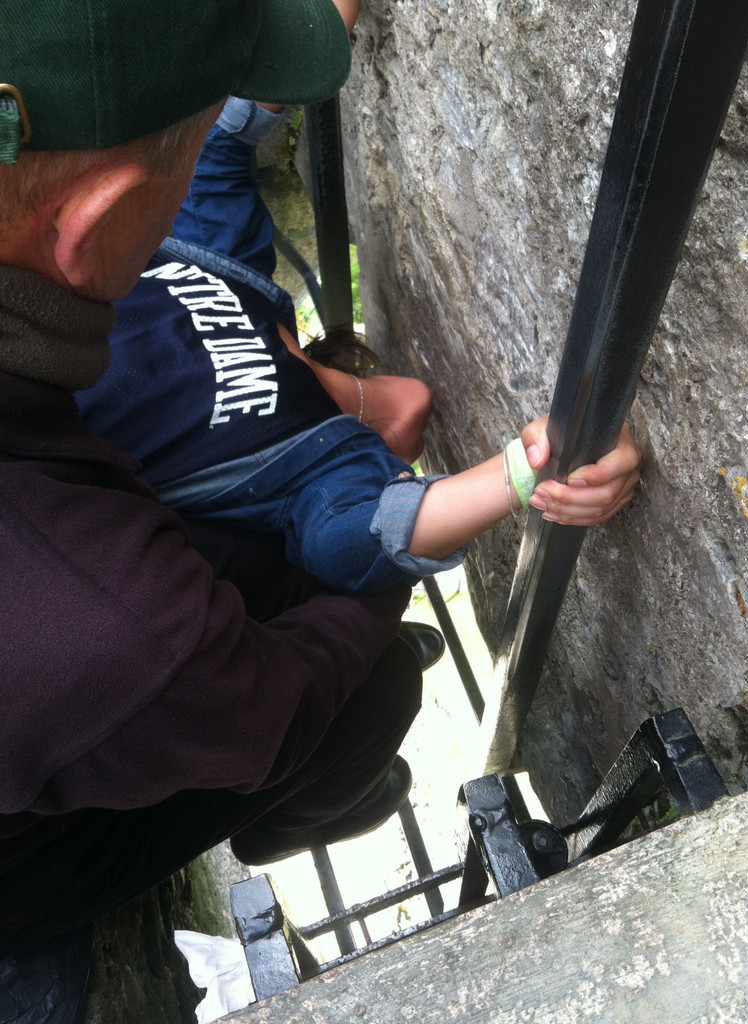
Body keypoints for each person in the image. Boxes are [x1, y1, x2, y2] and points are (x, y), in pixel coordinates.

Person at [0, 4, 639, 1021]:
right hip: (29, 852)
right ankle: (290, 809)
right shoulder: (295, 486)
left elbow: (227, 139)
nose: (410, 402)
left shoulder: (229, 284)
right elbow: (366, 544)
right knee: (367, 687)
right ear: (91, 224)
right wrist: (526, 473)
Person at [77, 98, 640, 596]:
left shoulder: (311, 462)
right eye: (402, 465)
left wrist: (545, 456)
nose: (404, 456)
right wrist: (549, 453)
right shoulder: (318, 460)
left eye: (402, 462)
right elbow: (361, 533)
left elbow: (224, 137)